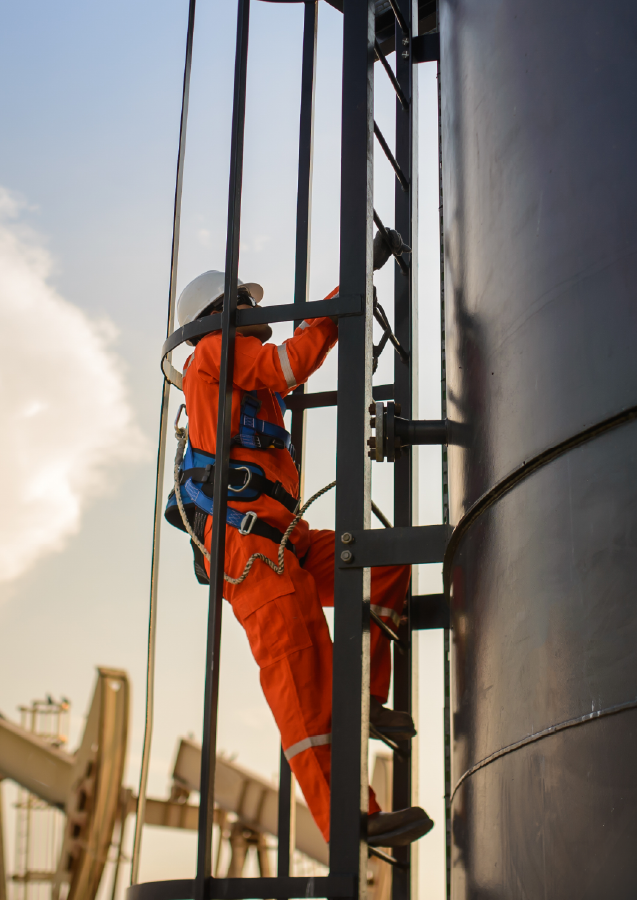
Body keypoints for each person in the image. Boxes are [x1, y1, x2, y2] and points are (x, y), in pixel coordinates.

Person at [167, 230, 433, 848]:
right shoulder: (213, 353)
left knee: (378, 562)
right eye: (243, 302)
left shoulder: (246, 382)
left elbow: (286, 364)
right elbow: (296, 357)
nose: (256, 314)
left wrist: (351, 285)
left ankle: (364, 700)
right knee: (299, 668)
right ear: (218, 315)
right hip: (247, 551)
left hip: (278, 537)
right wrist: (353, 283)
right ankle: (350, 820)